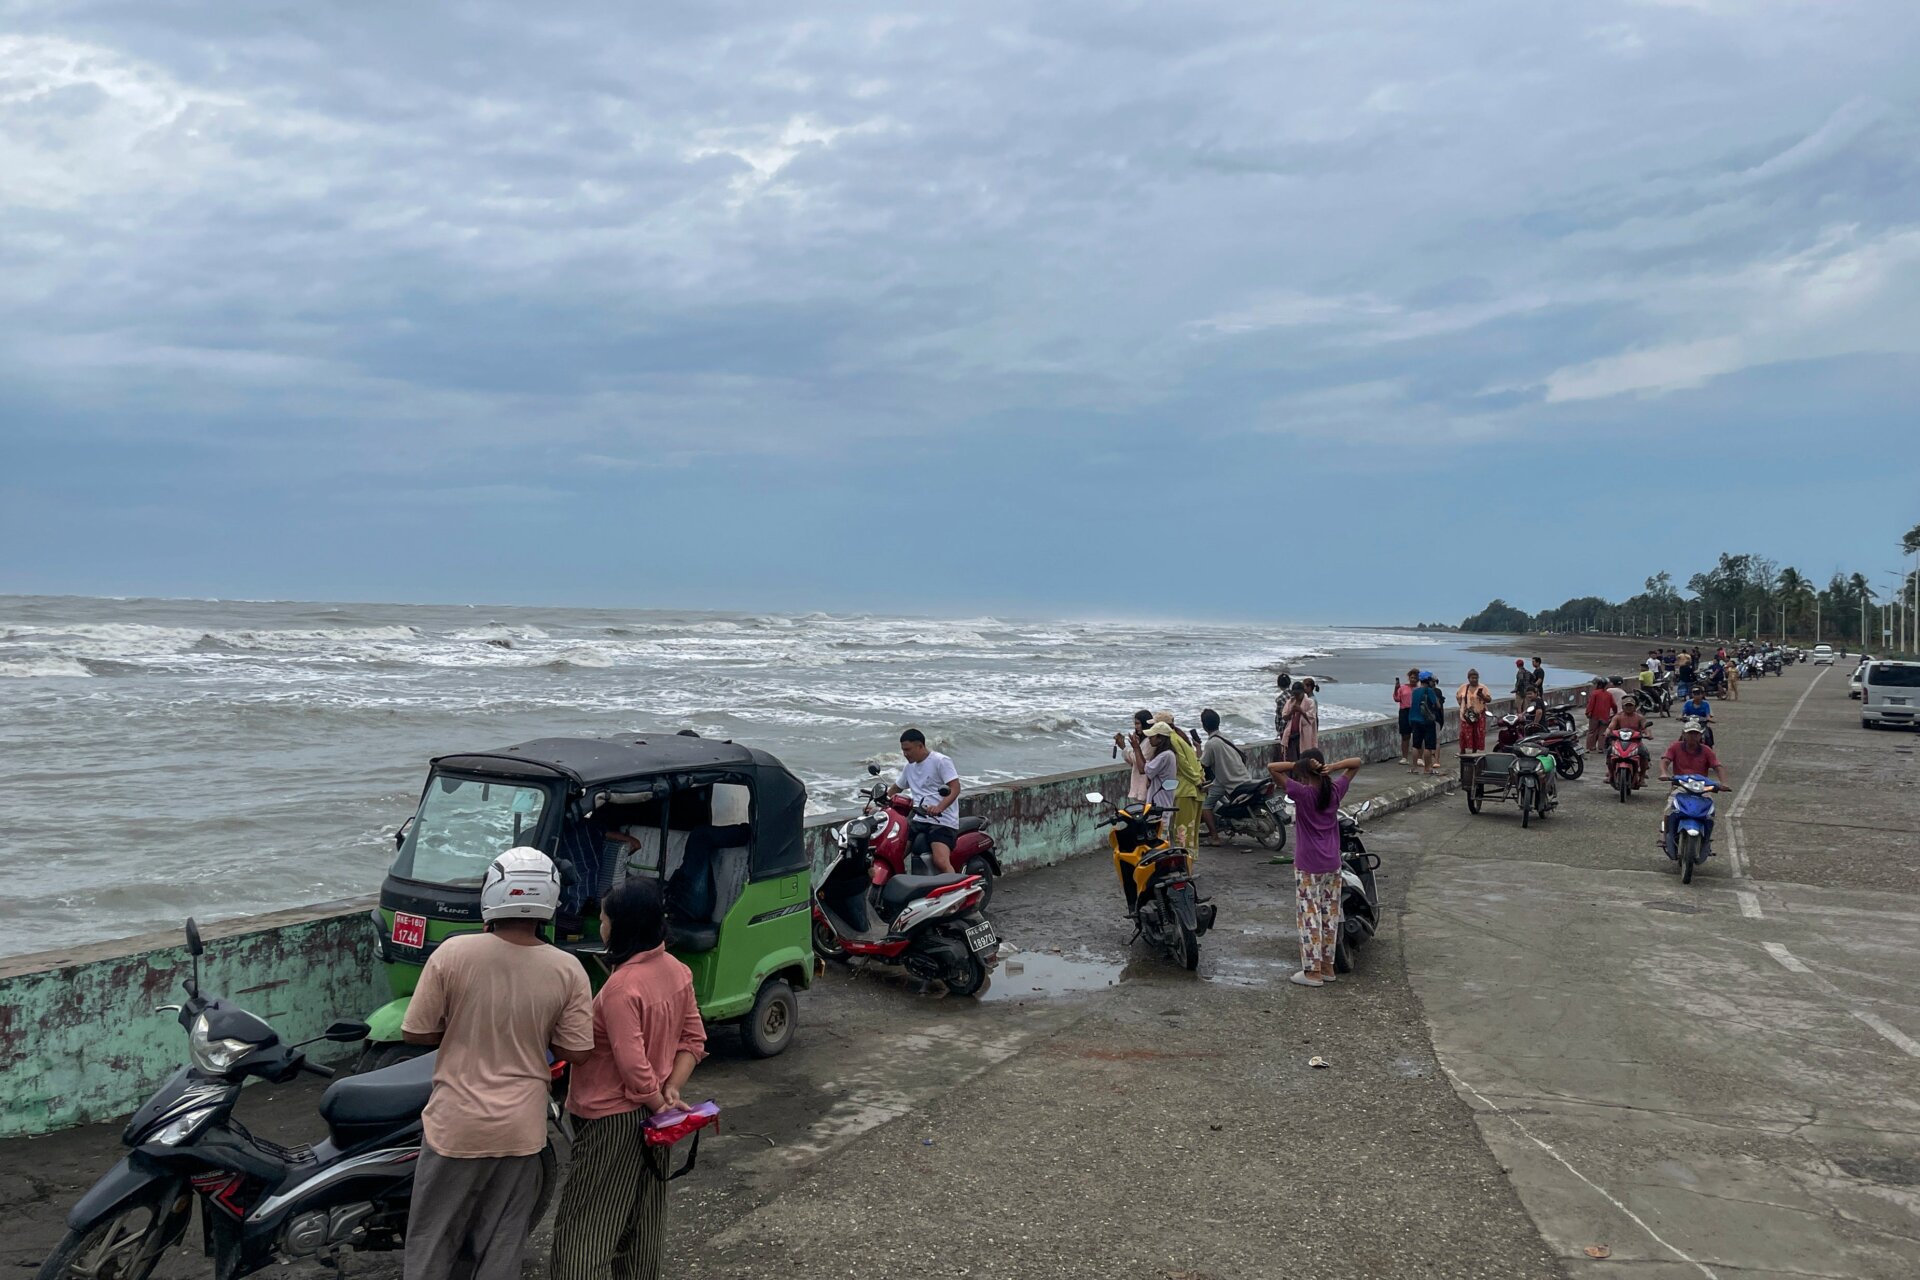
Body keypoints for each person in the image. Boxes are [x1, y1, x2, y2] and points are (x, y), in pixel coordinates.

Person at [401, 848, 596, 1280]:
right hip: (521, 1130)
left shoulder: (453, 954)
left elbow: (414, 1031)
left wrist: (460, 1029)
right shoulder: (568, 968)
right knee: (502, 1244)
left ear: (492, 892)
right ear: (549, 901)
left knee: (433, 1242)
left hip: (456, 1125)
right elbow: (578, 1051)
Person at [549, 879, 706, 1280]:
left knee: (586, 1227)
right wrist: (670, 1092)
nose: (600, 924)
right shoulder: (677, 970)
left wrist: (657, 1099)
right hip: (655, 1118)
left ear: (622, 926)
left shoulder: (622, 987)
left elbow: (632, 1064)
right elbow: (693, 1039)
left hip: (611, 1118)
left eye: (603, 917)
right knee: (643, 1222)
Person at [1267, 750, 1363, 988]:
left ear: (1303, 772)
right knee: (1330, 915)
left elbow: (1272, 768)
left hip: (1308, 863)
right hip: (1332, 862)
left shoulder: (1302, 793)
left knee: (1309, 916)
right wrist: (1332, 766)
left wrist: (1299, 764)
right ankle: (1328, 966)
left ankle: (1313, 972)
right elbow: (1356, 763)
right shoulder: (1334, 791)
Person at [891, 728, 961, 873]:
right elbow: (896, 789)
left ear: (920, 746)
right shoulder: (909, 767)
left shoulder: (940, 761)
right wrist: (876, 804)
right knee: (895, 854)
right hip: (919, 819)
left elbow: (955, 788)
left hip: (942, 821)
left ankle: (955, 891)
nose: (905, 754)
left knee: (940, 861)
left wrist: (939, 808)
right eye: (903, 750)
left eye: (908, 749)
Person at [1152, 710, 1207, 851]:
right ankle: (1189, 860)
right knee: (1191, 830)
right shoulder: (1180, 737)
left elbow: (1183, 764)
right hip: (1193, 789)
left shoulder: (1173, 740)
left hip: (1184, 789)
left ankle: (1184, 860)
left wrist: (1196, 781)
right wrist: (1200, 778)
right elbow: (1195, 760)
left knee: (1182, 831)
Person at [1199, 708, 1252, 843]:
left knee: (1206, 805)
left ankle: (1215, 837)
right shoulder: (1225, 737)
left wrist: (1197, 748)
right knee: (1214, 789)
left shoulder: (1211, 743)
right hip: (1241, 776)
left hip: (1228, 781)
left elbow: (1203, 764)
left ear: (1204, 726)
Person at [1133, 724, 1179, 837]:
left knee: (1158, 840)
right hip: (1162, 804)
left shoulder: (1165, 756)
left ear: (1160, 738)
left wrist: (1136, 748)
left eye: (1152, 736)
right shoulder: (1168, 754)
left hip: (1159, 805)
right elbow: (1147, 767)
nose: (1149, 738)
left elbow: (1142, 769)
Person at [1660, 720, 1726, 786]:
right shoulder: (1675, 747)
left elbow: (1717, 767)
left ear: (1700, 735)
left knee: (1707, 796)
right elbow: (1665, 761)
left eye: (1696, 734)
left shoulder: (1706, 750)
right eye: (1690, 733)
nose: (1693, 736)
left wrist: (1723, 783)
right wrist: (1664, 773)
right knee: (1672, 796)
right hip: (1680, 784)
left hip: (1700, 786)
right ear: (1683, 734)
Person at [1605, 699, 1653, 786]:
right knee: (1609, 752)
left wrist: (1648, 734)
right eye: (1626, 705)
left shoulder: (1639, 717)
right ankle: (1611, 774)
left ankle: (1642, 778)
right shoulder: (1617, 717)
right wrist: (1607, 732)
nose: (1628, 707)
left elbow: (1645, 727)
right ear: (1623, 707)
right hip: (1619, 740)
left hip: (1635, 741)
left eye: (1630, 705)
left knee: (1644, 754)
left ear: (1634, 707)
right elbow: (1611, 727)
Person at [1408, 671, 1445, 776]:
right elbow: (1437, 705)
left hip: (1415, 720)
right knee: (1428, 746)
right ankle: (1427, 769)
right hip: (1427, 721)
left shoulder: (1415, 691)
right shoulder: (1429, 691)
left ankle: (1414, 767)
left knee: (1416, 745)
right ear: (1429, 681)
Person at [1115, 709, 1153, 801]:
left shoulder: (1151, 741)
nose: (1136, 727)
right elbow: (1133, 759)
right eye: (1135, 724)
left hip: (1146, 786)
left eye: (1138, 724)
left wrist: (1130, 748)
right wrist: (1124, 748)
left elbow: (1140, 760)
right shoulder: (1142, 740)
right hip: (1138, 785)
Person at [1456, 668, 1492, 755]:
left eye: (1476, 678)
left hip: (1479, 715)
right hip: (1466, 715)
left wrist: (1482, 696)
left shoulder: (1483, 688)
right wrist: (1463, 707)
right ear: (1468, 678)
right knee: (1464, 733)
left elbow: (1489, 699)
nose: (1474, 680)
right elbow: (1458, 698)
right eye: (1472, 678)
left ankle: (1474, 750)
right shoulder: (1463, 687)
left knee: (1477, 733)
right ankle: (1463, 749)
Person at [1393, 669, 1417, 765]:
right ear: (1409, 678)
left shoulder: (1419, 688)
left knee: (1418, 735)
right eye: (1411, 677)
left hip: (1415, 711)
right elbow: (1397, 698)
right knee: (1405, 735)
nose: (1413, 680)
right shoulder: (1402, 688)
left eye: (1415, 678)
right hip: (1404, 711)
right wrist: (1396, 688)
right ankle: (1404, 757)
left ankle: (1419, 758)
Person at [1584, 677, 1615, 753]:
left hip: (1595, 715)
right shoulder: (1609, 694)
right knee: (1602, 732)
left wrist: (1587, 712)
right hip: (1605, 716)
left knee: (1591, 732)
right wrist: (1615, 712)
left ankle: (1590, 747)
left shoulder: (1594, 693)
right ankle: (1600, 748)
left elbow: (1591, 704)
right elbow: (1614, 705)